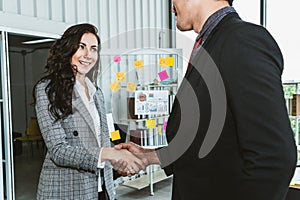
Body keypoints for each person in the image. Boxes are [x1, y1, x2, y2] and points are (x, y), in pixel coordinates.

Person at [115, 0, 298, 199]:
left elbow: (274, 158)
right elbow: (208, 143)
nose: (171, 5)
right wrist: (150, 157)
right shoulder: (210, 44)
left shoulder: (241, 40)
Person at [33, 23, 145, 200]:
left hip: (101, 186)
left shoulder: (96, 92)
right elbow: (58, 150)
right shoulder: (48, 89)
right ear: (68, 49)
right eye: (81, 47)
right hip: (67, 189)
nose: (88, 55)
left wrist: (119, 161)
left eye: (94, 49)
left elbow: (102, 140)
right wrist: (110, 154)